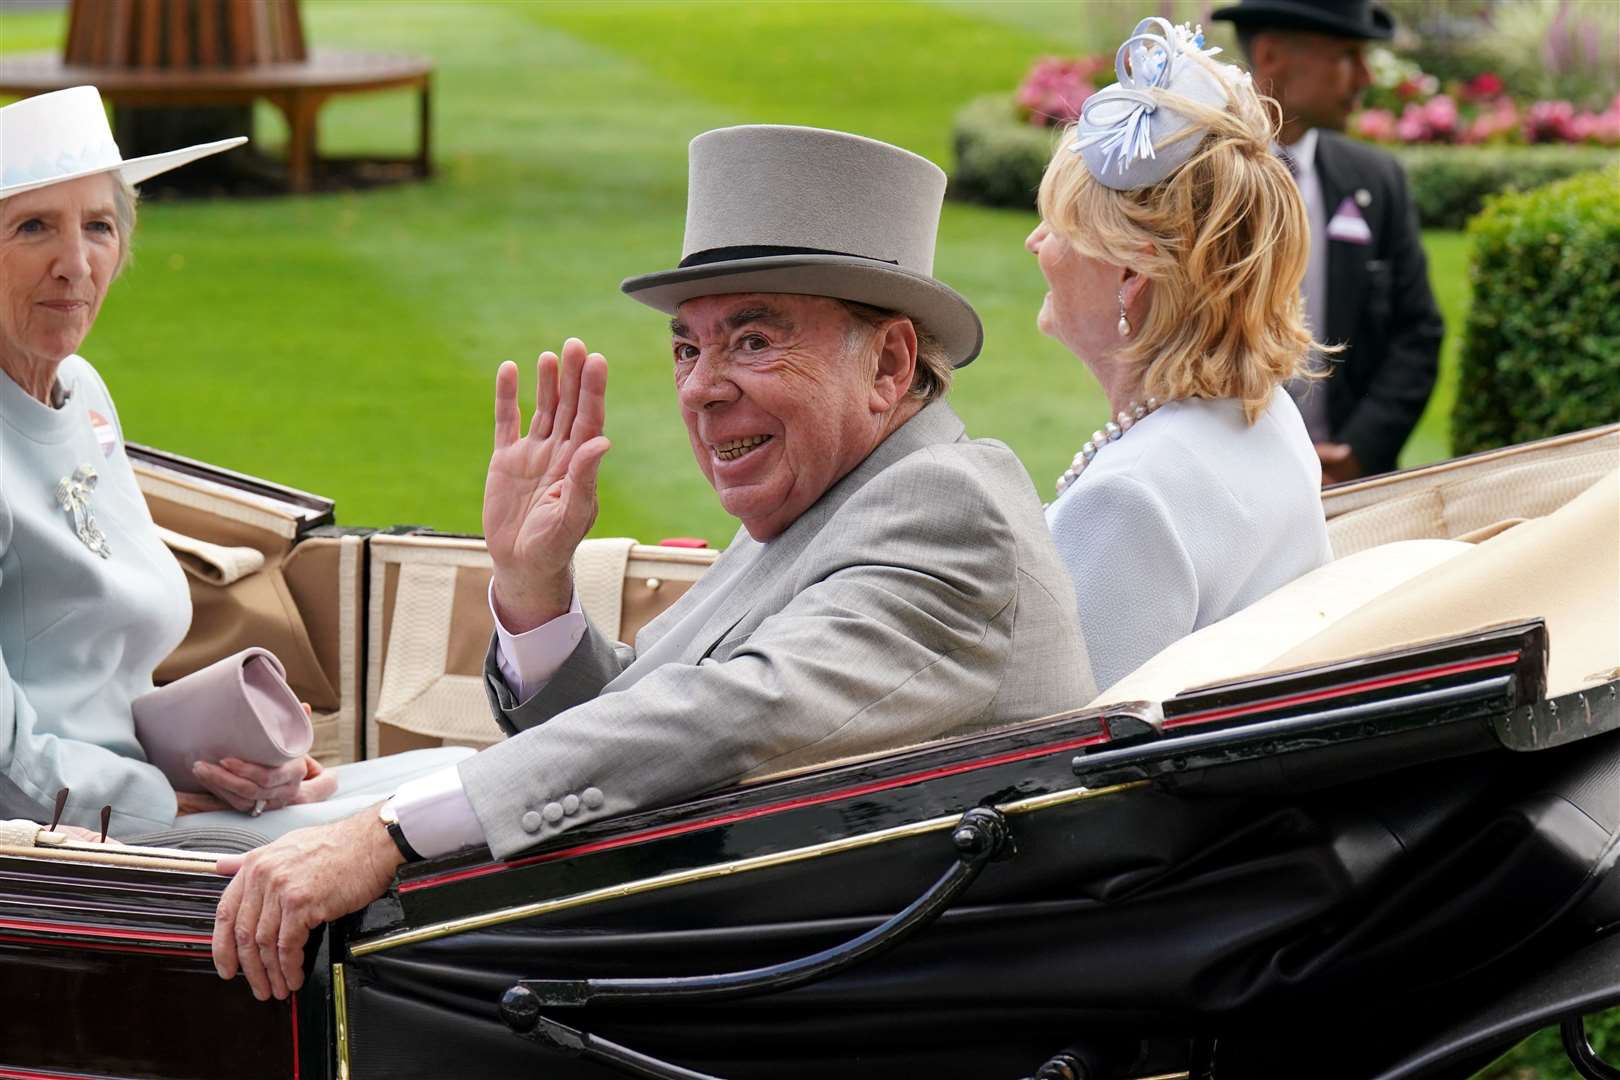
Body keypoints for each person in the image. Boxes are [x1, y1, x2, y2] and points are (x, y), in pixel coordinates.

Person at [210, 124, 1093, 1002]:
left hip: (842, 1006)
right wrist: (532, 587)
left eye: (752, 341)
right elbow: (640, 719)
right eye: (686, 348)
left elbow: (730, 715)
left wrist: (389, 833)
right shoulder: (835, 492)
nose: (702, 387)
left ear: (890, 363)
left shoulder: (943, 506)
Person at [0, 86, 469, 846]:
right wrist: (159, 800)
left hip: (150, 786)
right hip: (73, 839)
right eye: (33, 228)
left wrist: (249, 765)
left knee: (466, 777)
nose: (76, 264)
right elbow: (9, 765)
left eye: (99, 226)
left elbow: (108, 670)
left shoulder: (82, 392)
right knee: (448, 830)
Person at [1028, 18, 1333, 692]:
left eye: (1060, 226)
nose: (1036, 243)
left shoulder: (1130, 496)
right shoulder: (1265, 417)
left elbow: (1071, 747)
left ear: (1130, 276)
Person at [1213, 0, 1444, 481]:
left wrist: (1359, 449)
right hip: (1225, 474)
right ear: (1273, 54)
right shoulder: (1199, 180)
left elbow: (1416, 332)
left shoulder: (1377, 181)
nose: (1364, 77)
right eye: (1347, 55)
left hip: (1347, 479)